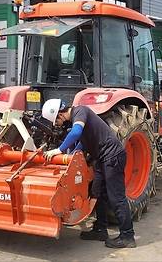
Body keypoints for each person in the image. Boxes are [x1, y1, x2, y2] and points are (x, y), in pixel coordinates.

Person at [42, 99, 136, 248]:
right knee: (97, 192)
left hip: (112, 156)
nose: (57, 125)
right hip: (101, 158)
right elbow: (83, 141)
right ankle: (100, 229)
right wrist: (71, 155)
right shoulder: (78, 117)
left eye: (56, 122)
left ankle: (127, 236)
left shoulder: (81, 111)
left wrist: (59, 150)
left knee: (116, 197)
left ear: (60, 114)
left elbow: (77, 132)